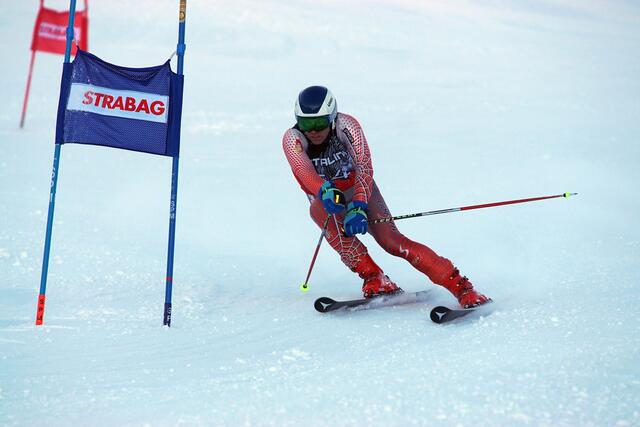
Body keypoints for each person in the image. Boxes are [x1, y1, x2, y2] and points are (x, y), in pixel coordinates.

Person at [282, 85, 490, 308]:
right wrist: (325, 191)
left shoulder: (347, 126)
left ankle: (462, 287)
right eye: (306, 124)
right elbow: (303, 170)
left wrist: (359, 205)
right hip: (327, 199)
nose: (313, 131)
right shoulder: (292, 139)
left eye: (319, 123)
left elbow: (364, 166)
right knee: (319, 213)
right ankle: (375, 278)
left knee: (392, 242)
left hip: (359, 189)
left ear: (332, 117)